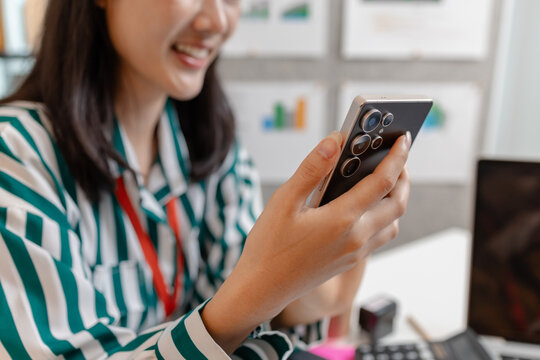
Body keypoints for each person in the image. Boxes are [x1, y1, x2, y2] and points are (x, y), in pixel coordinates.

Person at [0, 0, 411, 358]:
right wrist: (265, 289)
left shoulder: (214, 147)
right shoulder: (15, 156)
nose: (216, 21)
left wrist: (303, 294)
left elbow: (249, 308)